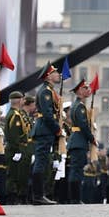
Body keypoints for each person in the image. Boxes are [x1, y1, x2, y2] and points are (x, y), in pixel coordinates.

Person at [30, 63, 63, 205]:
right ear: (48, 76)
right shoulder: (46, 92)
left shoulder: (49, 90)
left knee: (42, 163)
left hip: (46, 130)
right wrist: (57, 129)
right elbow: (48, 114)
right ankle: (38, 196)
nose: (58, 75)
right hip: (44, 130)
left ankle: (39, 195)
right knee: (40, 162)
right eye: (55, 73)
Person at [65, 77, 94, 203]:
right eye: (85, 88)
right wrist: (92, 138)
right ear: (79, 91)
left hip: (77, 140)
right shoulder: (80, 106)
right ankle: (75, 198)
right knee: (76, 170)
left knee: (77, 169)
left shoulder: (78, 105)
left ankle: (75, 198)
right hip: (78, 141)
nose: (88, 90)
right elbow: (83, 125)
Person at [4, 91, 33, 204]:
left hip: (19, 149)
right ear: (19, 100)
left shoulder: (17, 113)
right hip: (15, 149)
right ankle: (12, 198)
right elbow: (13, 134)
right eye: (22, 99)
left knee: (20, 174)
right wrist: (17, 150)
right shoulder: (15, 115)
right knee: (14, 175)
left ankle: (19, 197)